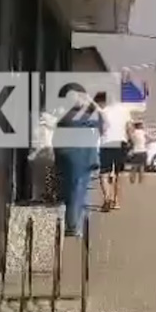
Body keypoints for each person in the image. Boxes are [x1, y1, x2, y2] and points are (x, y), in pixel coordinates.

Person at [54, 94, 102, 237]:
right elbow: (102, 123)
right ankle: (73, 225)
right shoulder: (88, 118)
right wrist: (93, 104)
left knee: (68, 189)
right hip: (82, 157)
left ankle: (68, 221)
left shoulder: (64, 118)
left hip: (66, 157)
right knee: (78, 191)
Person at [96, 95, 130, 211]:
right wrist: (131, 142)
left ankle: (107, 198)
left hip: (107, 142)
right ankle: (116, 201)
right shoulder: (125, 110)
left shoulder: (102, 111)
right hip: (121, 142)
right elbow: (129, 127)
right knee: (118, 173)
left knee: (104, 173)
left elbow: (100, 129)